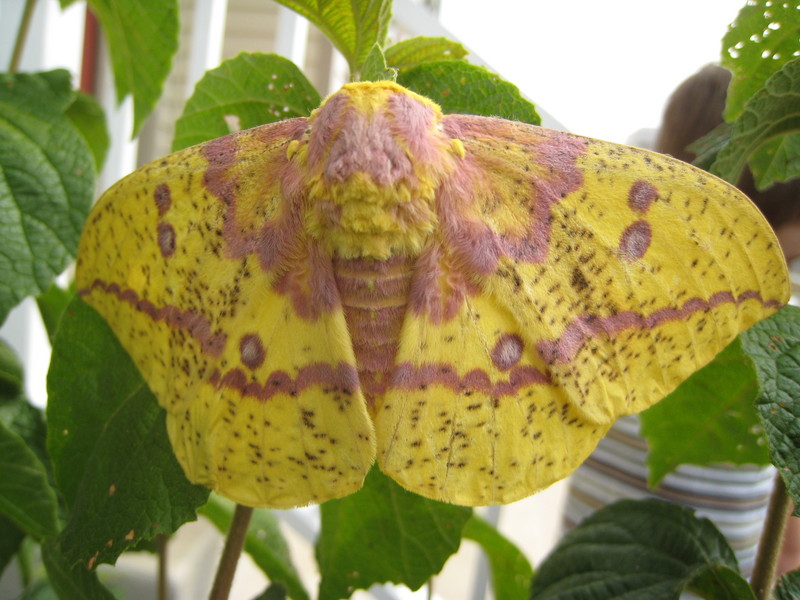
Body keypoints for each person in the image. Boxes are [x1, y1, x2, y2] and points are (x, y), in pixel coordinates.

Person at [563, 64, 800, 576]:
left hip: (588, 550)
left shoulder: (623, 270)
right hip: (705, 574)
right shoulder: (780, 313)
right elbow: (790, 547)